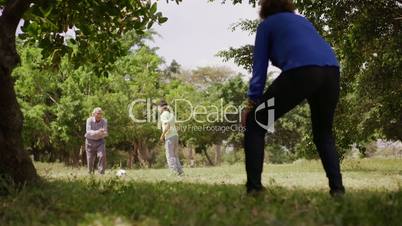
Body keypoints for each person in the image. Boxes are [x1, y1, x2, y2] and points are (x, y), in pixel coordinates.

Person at [242, 0, 345, 196]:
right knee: (324, 133)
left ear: (264, 9)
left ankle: (254, 189)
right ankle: (337, 190)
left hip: (302, 72)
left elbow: (259, 67)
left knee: (256, 124)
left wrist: (251, 102)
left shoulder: (266, 25)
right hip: (331, 71)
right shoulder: (303, 21)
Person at [158, 100, 184, 176]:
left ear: (162, 107)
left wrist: (162, 135)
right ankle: (180, 172)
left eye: (158, 107)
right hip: (175, 135)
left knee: (170, 155)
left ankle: (174, 172)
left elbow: (167, 125)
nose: (158, 109)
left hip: (169, 136)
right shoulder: (170, 114)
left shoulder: (163, 115)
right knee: (175, 155)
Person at [85, 107, 108, 174]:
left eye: (101, 114)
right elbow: (88, 132)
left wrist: (102, 133)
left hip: (100, 141)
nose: (99, 115)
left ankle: (101, 173)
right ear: (93, 114)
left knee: (102, 155)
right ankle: (90, 173)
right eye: (98, 113)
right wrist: (98, 132)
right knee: (90, 159)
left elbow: (105, 132)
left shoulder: (104, 121)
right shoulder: (89, 120)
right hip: (89, 141)